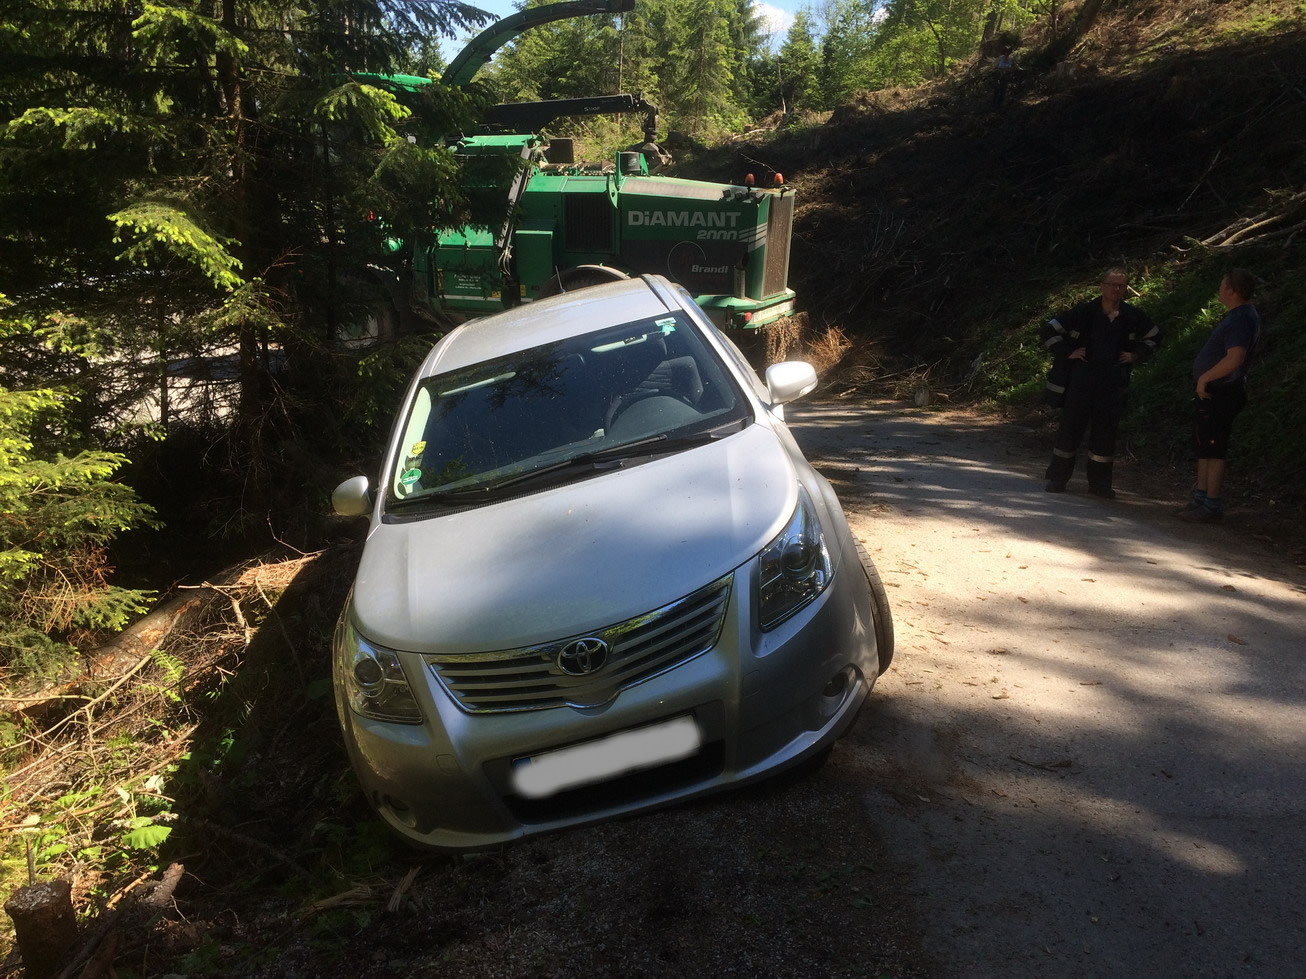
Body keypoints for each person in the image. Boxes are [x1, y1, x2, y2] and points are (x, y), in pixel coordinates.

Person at [1042, 267, 1161, 498]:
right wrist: (1068, 352)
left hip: (1112, 382)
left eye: (1121, 285)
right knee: (1070, 429)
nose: (1117, 289)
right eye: (1112, 284)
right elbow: (1049, 330)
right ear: (1102, 286)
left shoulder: (1132, 315)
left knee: (1105, 433)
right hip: (1081, 380)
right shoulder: (1084, 312)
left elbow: (1156, 335)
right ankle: (1058, 479)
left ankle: (1100, 485)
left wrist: (1135, 354)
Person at [1176, 269, 1261, 522]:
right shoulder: (1237, 316)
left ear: (1231, 291)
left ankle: (1212, 504)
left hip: (1223, 391)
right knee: (1204, 445)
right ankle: (1200, 498)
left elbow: (1234, 358)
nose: (1220, 289)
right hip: (1214, 390)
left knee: (1214, 447)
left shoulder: (1242, 319)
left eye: (1222, 285)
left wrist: (1206, 377)